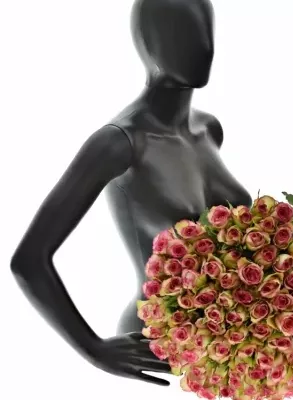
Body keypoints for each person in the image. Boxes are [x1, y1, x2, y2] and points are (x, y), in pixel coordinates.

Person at [10, 0, 252, 387]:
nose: (201, 46)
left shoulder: (208, 130)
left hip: (237, 344)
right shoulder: (119, 142)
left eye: (205, 31)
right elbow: (29, 260)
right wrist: (93, 349)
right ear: (146, 43)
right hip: (157, 347)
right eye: (181, 34)